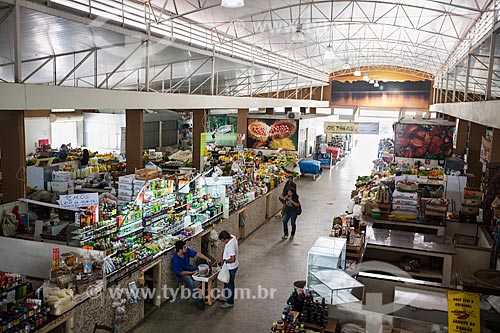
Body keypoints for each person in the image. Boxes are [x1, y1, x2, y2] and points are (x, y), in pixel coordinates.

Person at [171, 240, 213, 310]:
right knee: (190, 281)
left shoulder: (186, 251)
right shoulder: (175, 260)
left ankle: (204, 290)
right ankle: (198, 300)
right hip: (183, 274)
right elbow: (181, 273)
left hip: (190, 269)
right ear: (180, 249)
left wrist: (206, 258)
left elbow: (197, 254)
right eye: (184, 247)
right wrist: (193, 272)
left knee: (206, 269)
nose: (186, 248)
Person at [218, 230, 239, 309]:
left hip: (231, 267)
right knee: (226, 282)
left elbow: (232, 259)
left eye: (223, 241)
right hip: (230, 266)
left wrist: (224, 261)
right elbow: (225, 248)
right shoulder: (232, 237)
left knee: (229, 284)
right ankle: (226, 297)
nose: (223, 242)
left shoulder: (230, 245)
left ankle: (230, 302)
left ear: (226, 239)